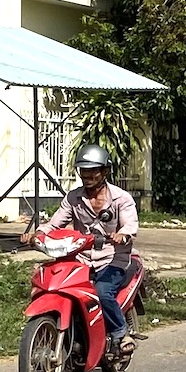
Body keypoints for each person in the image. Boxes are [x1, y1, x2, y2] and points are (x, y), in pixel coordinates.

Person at [26, 145, 139, 355]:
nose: (88, 175)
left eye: (93, 170)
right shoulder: (73, 198)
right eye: (84, 170)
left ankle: (120, 333)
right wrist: (37, 235)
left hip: (112, 259)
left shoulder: (121, 198)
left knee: (103, 294)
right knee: (58, 287)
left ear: (105, 171)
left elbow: (130, 226)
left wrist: (122, 235)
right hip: (82, 260)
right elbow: (54, 224)